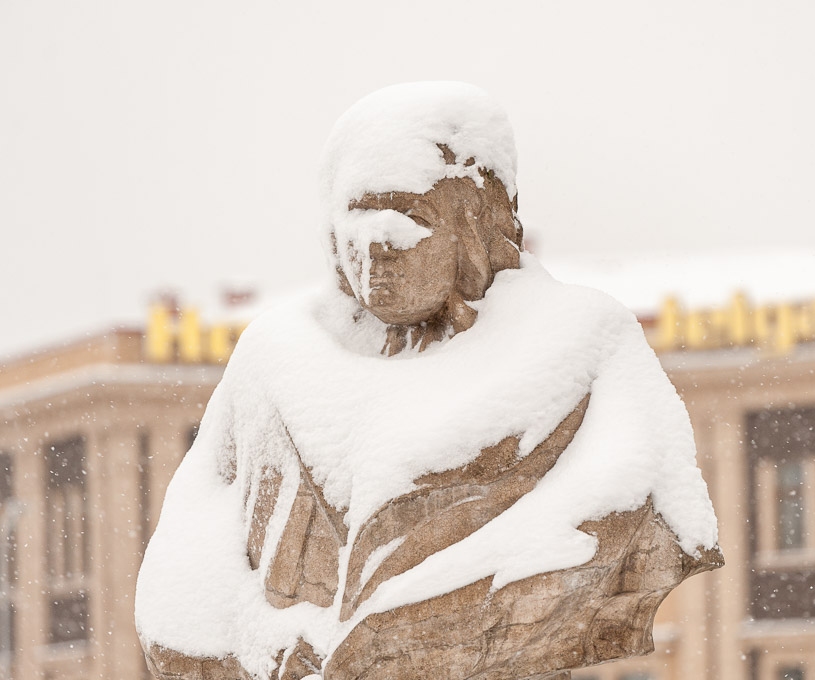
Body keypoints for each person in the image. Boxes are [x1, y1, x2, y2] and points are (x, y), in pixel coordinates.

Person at [136, 82, 720, 680]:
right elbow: (180, 586)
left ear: (475, 229)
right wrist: (261, 642)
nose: (378, 243)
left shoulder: (583, 348)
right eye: (358, 213)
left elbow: (609, 511)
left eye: (411, 214)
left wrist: (396, 639)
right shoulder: (273, 361)